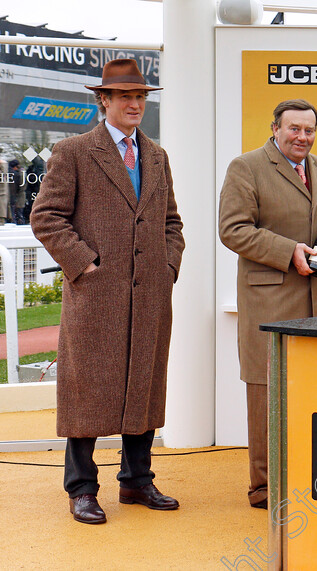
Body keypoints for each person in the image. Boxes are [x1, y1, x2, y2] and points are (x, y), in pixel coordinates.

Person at [30, 59, 185, 525]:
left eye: (140, 96)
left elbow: (171, 223)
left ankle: (137, 480)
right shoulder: (74, 150)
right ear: (104, 101)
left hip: (151, 295)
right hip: (96, 296)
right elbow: (47, 217)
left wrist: (168, 266)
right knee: (87, 390)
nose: (134, 103)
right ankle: (81, 489)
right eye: (124, 97)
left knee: (144, 384)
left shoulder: (156, 155)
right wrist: (86, 265)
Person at [218, 99, 317, 509]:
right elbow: (233, 230)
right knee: (265, 392)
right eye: (294, 129)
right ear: (275, 128)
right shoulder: (246, 166)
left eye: (309, 130)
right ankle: (263, 487)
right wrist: (287, 250)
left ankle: (301, 475)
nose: (303, 137)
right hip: (268, 301)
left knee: (307, 391)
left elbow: (314, 225)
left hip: (315, 301)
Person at [23, 155, 44, 224]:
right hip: (34, 191)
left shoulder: (34, 170)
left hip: (33, 191)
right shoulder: (37, 170)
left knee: (34, 206)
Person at [8, 159, 26, 224]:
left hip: (14, 196)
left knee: (15, 213)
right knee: (19, 213)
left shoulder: (10, 173)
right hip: (18, 196)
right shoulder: (19, 174)